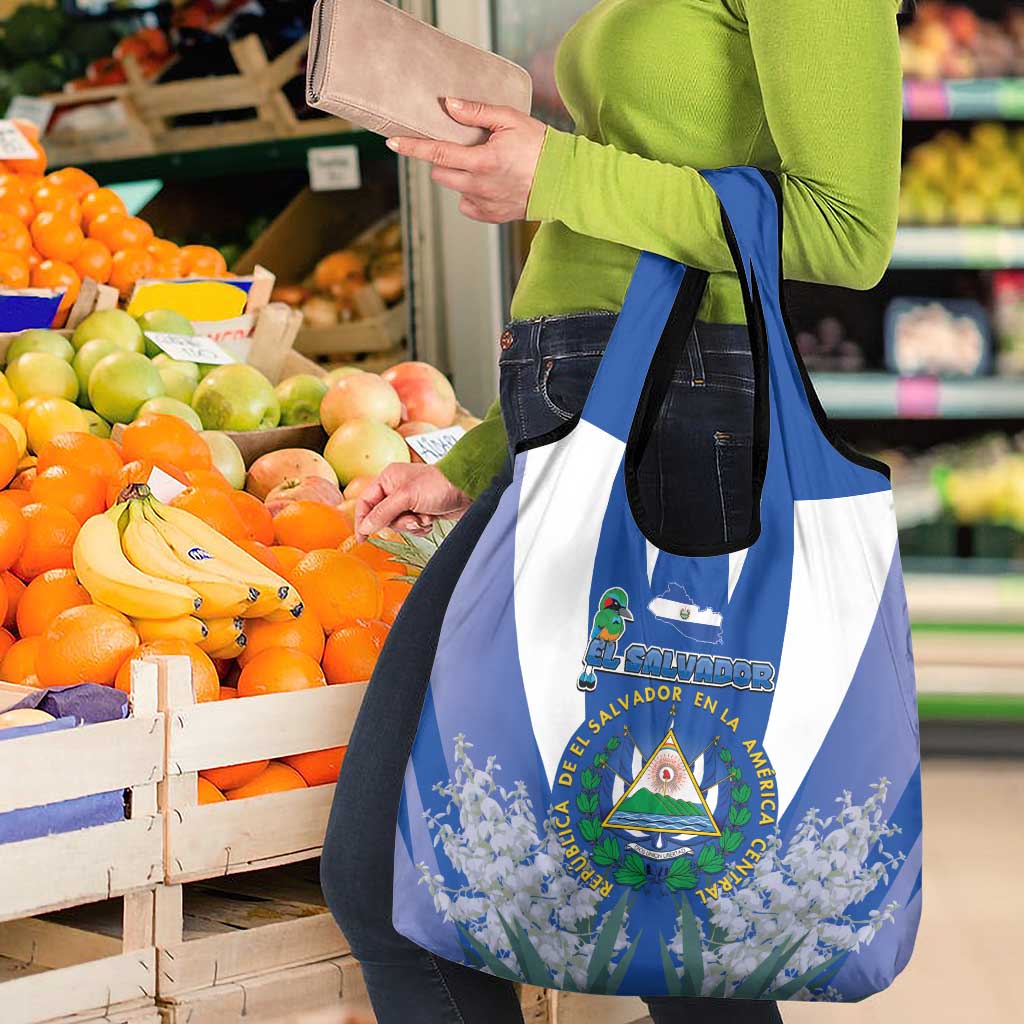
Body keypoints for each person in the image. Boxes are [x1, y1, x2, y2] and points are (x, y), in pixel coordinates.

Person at [321, 2, 907, 1021]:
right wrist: (481, 458)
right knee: (665, 922)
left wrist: (556, 173)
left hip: (681, 439)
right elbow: (624, 237)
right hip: (591, 431)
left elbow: (847, 230)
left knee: (670, 922)